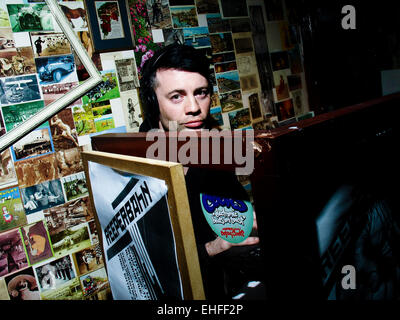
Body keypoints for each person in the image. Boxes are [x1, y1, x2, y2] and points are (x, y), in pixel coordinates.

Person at [139, 44, 266, 299]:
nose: (194, 107)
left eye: (201, 93)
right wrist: (211, 247)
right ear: (154, 104)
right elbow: (149, 266)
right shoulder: (136, 166)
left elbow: (235, 211)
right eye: (177, 96)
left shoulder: (211, 147)